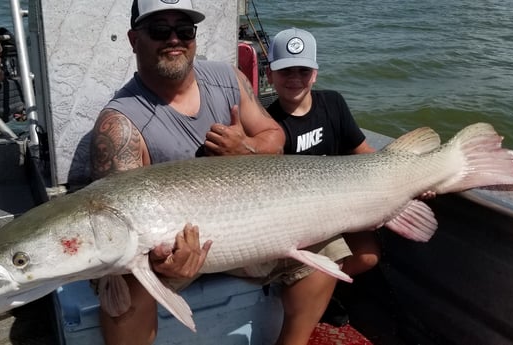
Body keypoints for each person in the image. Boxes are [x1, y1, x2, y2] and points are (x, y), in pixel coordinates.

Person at [89, 0, 285, 344]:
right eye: (159, 31)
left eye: (185, 30)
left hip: (250, 223)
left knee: (328, 252)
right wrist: (165, 264)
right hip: (176, 249)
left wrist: (246, 149)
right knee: (123, 290)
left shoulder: (227, 78)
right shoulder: (120, 123)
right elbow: (121, 228)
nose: (174, 39)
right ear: (135, 40)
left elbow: (276, 138)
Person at [264, 27, 382, 339]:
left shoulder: (333, 104)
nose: (295, 78)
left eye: (303, 70)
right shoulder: (267, 124)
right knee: (330, 259)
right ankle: (302, 295)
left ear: (315, 73)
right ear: (269, 75)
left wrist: (397, 176)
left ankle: (317, 297)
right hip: (296, 221)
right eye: (285, 70)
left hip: (338, 207)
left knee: (368, 255)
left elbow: (364, 154)